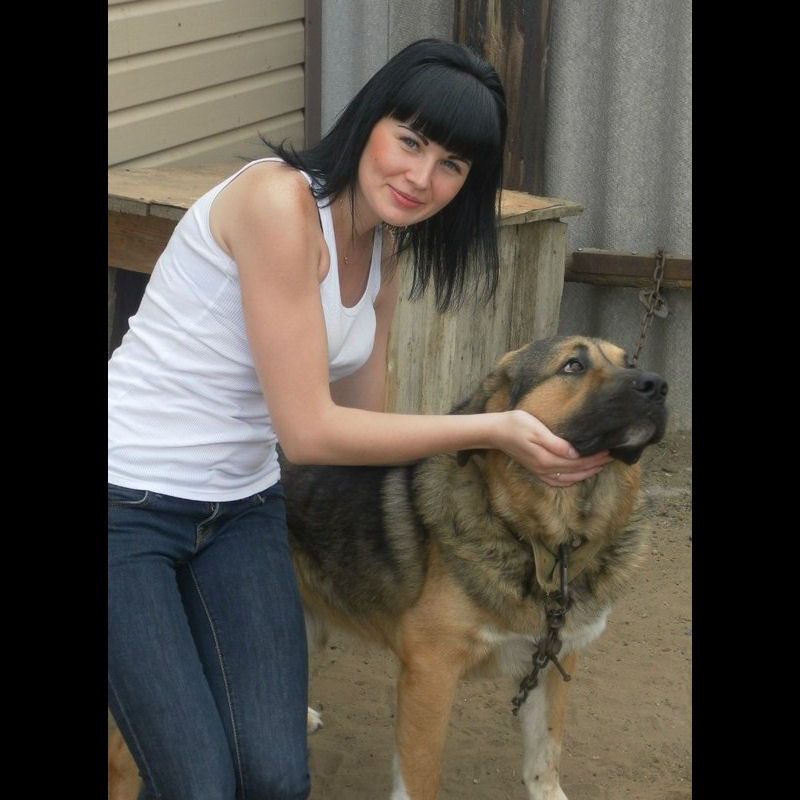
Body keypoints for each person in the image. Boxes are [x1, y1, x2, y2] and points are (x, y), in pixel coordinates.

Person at [108, 38, 611, 800]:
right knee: (197, 783)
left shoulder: (381, 253)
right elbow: (310, 433)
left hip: (240, 509)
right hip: (126, 502)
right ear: (368, 119)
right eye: (410, 141)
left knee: (275, 777)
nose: (422, 177)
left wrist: (496, 505)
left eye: (451, 164)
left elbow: (361, 429)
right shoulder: (278, 202)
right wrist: (492, 430)